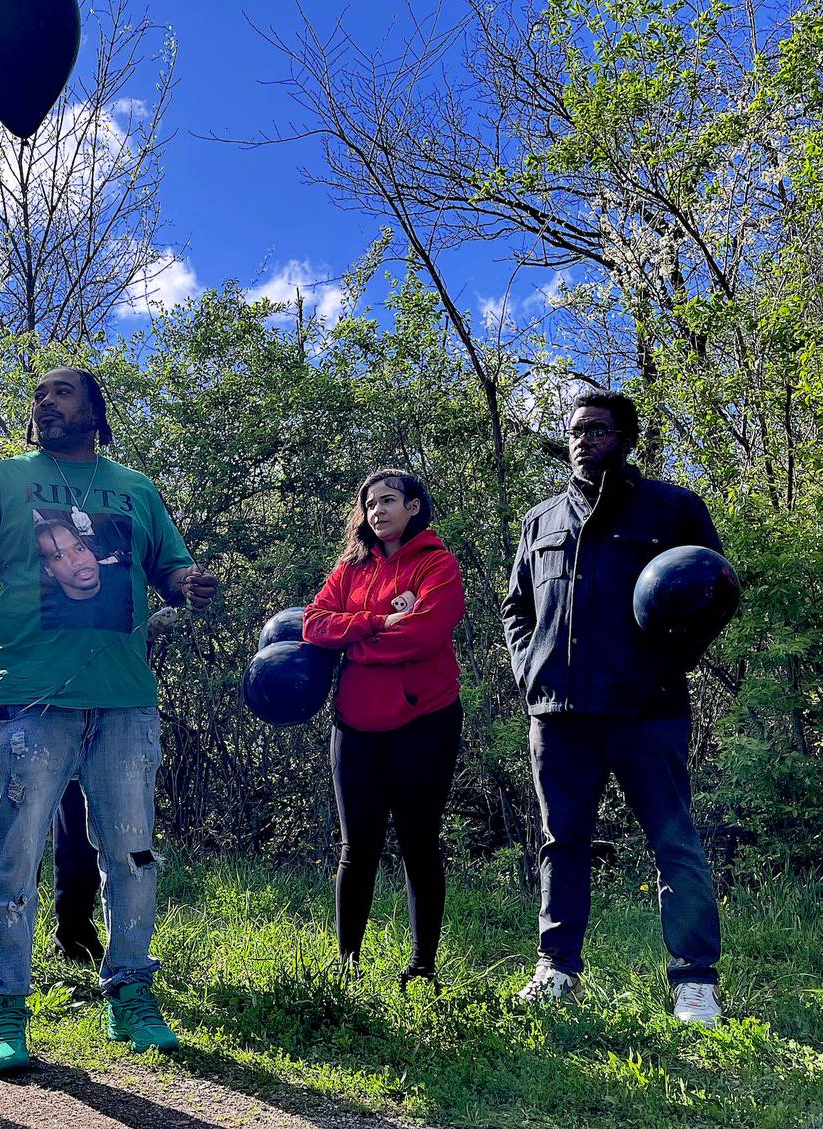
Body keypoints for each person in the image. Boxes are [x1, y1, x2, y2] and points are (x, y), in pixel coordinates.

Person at [0, 365, 218, 1073]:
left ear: (96, 408)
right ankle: (2, 1003)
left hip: (124, 700)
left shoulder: (136, 488)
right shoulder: (3, 479)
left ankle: (131, 991)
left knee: (133, 853)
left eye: (62, 392)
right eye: (38, 395)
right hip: (29, 697)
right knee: (14, 854)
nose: (45, 402)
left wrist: (189, 583)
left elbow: (169, 570)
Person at [502, 391, 725, 1025]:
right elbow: (516, 606)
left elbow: (715, 594)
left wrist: (661, 667)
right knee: (560, 840)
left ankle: (695, 982)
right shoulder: (541, 521)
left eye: (598, 430)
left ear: (624, 438)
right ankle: (557, 968)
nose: (583, 439)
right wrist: (530, 672)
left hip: (646, 711)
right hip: (560, 714)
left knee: (673, 840)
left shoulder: (673, 509)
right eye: (575, 430)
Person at [302, 469, 465, 987]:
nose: (377, 511)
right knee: (357, 847)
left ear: (414, 506)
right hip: (354, 725)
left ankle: (422, 969)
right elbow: (312, 624)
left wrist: (351, 641)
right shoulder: (350, 567)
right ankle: (346, 966)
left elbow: (424, 633)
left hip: (425, 722)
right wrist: (375, 622)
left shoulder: (438, 564)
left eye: (389, 501)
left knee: (420, 843)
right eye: (370, 504)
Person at [36, 518, 133, 631]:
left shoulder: (126, 578)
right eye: (59, 556)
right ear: (48, 569)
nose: (78, 561)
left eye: (80, 548)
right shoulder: (52, 621)